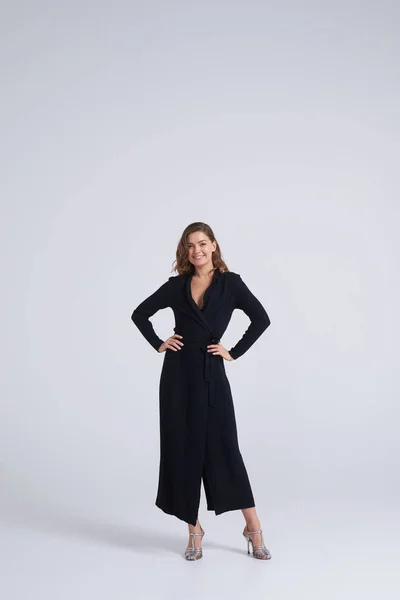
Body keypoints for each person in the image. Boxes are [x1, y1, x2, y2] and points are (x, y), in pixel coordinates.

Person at [131, 222, 272, 561]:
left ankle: (252, 527)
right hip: (178, 377)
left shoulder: (231, 284)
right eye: (190, 245)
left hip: (212, 375)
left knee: (225, 447)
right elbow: (140, 314)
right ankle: (194, 529)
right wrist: (159, 343)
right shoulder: (176, 286)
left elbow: (261, 319)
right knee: (182, 449)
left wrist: (233, 351)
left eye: (202, 243)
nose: (197, 250)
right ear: (185, 250)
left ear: (214, 246)